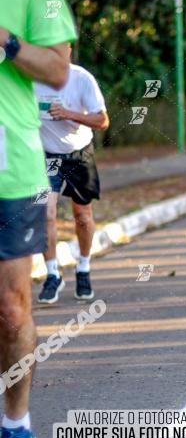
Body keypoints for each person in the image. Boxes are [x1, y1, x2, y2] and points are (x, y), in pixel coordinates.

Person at [0, 0, 77, 438]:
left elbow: (56, 69)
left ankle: (15, 428)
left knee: (10, 310)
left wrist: (6, 42)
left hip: (9, 166)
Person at [36, 56, 109, 303]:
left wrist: (68, 114)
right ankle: (53, 274)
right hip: (47, 156)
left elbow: (102, 121)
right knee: (45, 214)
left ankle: (83, 268)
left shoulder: (82, 79)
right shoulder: (30, 79)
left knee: (83, 216)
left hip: (79, 153)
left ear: (67, 50)